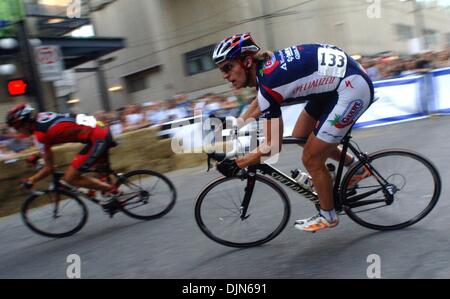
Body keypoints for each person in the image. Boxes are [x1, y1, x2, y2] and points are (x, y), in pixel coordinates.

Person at [212, 33, 374, 232]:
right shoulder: (266, 71)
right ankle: (355, 167)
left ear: (246, 61)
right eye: (222, 70)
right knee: (301, 135)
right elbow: (258, 104)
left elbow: (272, 147)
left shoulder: (269, 82)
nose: (225, 76)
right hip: (337, 84)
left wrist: (238, 163)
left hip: (352, 88)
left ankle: (328, 215)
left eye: (228, 67)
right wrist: (234, 126)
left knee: (311, 159)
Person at [5, 103, 121, 209]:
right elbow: (49, 143)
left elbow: (49, 168)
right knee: (97, 170)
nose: (19, 132)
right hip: (100, 128)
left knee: (70, 178)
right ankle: (109, 194)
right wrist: (37, 155)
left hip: (97, 138)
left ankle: (113, 190)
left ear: (26, 124)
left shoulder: (40, 135)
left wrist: (31, 180)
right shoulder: (43, 116)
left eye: (17, 128)